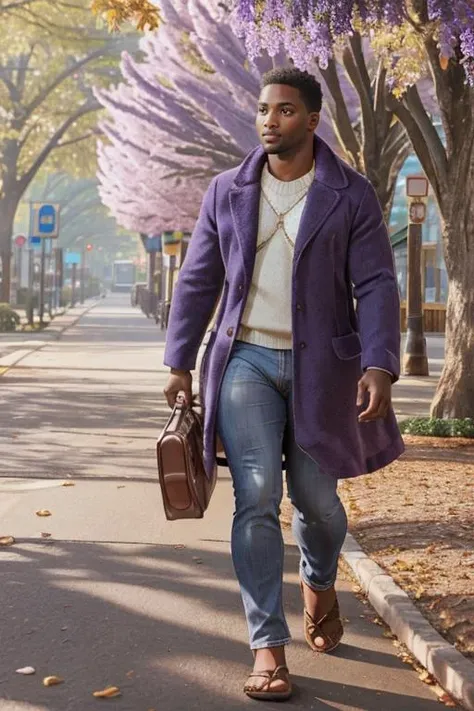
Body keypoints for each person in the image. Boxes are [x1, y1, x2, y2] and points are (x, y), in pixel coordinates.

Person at [163, 67, 404, 701]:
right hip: (245, 360)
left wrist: (378, 363)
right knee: (258, 494)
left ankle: (319, 581)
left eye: (286, 111)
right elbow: (197, 279)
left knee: (318, 502)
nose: (270, 120)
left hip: (324, 369)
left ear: (312, 120)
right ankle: (267, 647)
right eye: (265, 109)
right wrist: (179, 359)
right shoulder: (226, 190)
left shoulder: (350, 194)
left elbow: (376, 282)